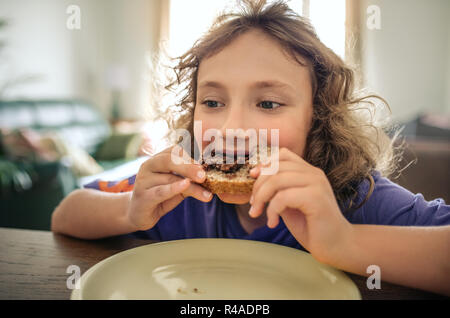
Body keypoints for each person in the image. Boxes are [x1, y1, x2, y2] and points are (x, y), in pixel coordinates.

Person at [51, 0, 450, 296]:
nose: (232, 127)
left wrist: (344, 241)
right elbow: (66, 214)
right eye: (212, 102)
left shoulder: (351, 197)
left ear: (318, 118)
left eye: (268, 104)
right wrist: (130, 212)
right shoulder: (181, 197)